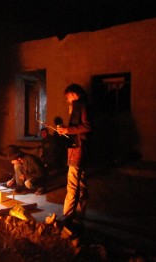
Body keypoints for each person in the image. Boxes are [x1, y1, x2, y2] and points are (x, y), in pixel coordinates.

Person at [56, 83, 91, 233]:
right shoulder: (76, 107)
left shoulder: (82, 106)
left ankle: (68, 215)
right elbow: (75, 128)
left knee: (72, 182)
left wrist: (68, 130)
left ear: (76, 94)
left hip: (79, 147)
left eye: (69, 96)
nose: (67, 99)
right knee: (81, 181)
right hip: (75, 146)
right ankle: (79, 215)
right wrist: (64, 130)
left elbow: (87, 127)